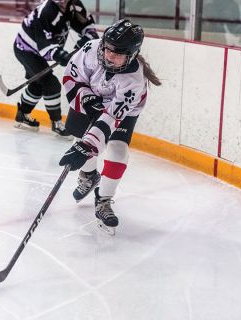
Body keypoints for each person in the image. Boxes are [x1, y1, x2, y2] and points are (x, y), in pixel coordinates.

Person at [59, 19, 161, 234]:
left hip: (120, 110)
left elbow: (111, 119)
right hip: (88, 96)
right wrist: (87, 100)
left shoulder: (133, 81)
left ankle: (104, 199)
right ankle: (89, 176)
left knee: (116, 148)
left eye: (117, 53)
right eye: (108, 49)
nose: (109, 55)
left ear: (131, 54)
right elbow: (70, 78)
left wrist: (90, 144)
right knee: (81, 138)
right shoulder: (92, 48)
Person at [13, 0, 99, 139]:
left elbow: (88, 26)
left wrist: (88, 39)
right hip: (26, 49)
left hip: (37, 50)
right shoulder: (46, 12)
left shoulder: (74, 5)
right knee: (50, 83)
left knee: (38, 84)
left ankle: (22, 115)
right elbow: (45, 45)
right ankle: (56, 123)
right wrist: (59, 54)